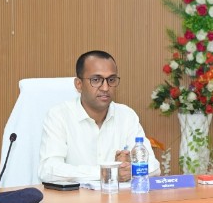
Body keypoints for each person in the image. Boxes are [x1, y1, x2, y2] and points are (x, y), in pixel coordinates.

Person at [38, 50, 160, 183]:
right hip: (76, 196)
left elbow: (154, 167)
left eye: (111, 80)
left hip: (118, 196)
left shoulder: (126, 116)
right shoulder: (59, 116)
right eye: (96, 80)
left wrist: (130, 169)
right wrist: (108, 172)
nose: (105, 88)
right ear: (78, 84)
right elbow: (48, 170)